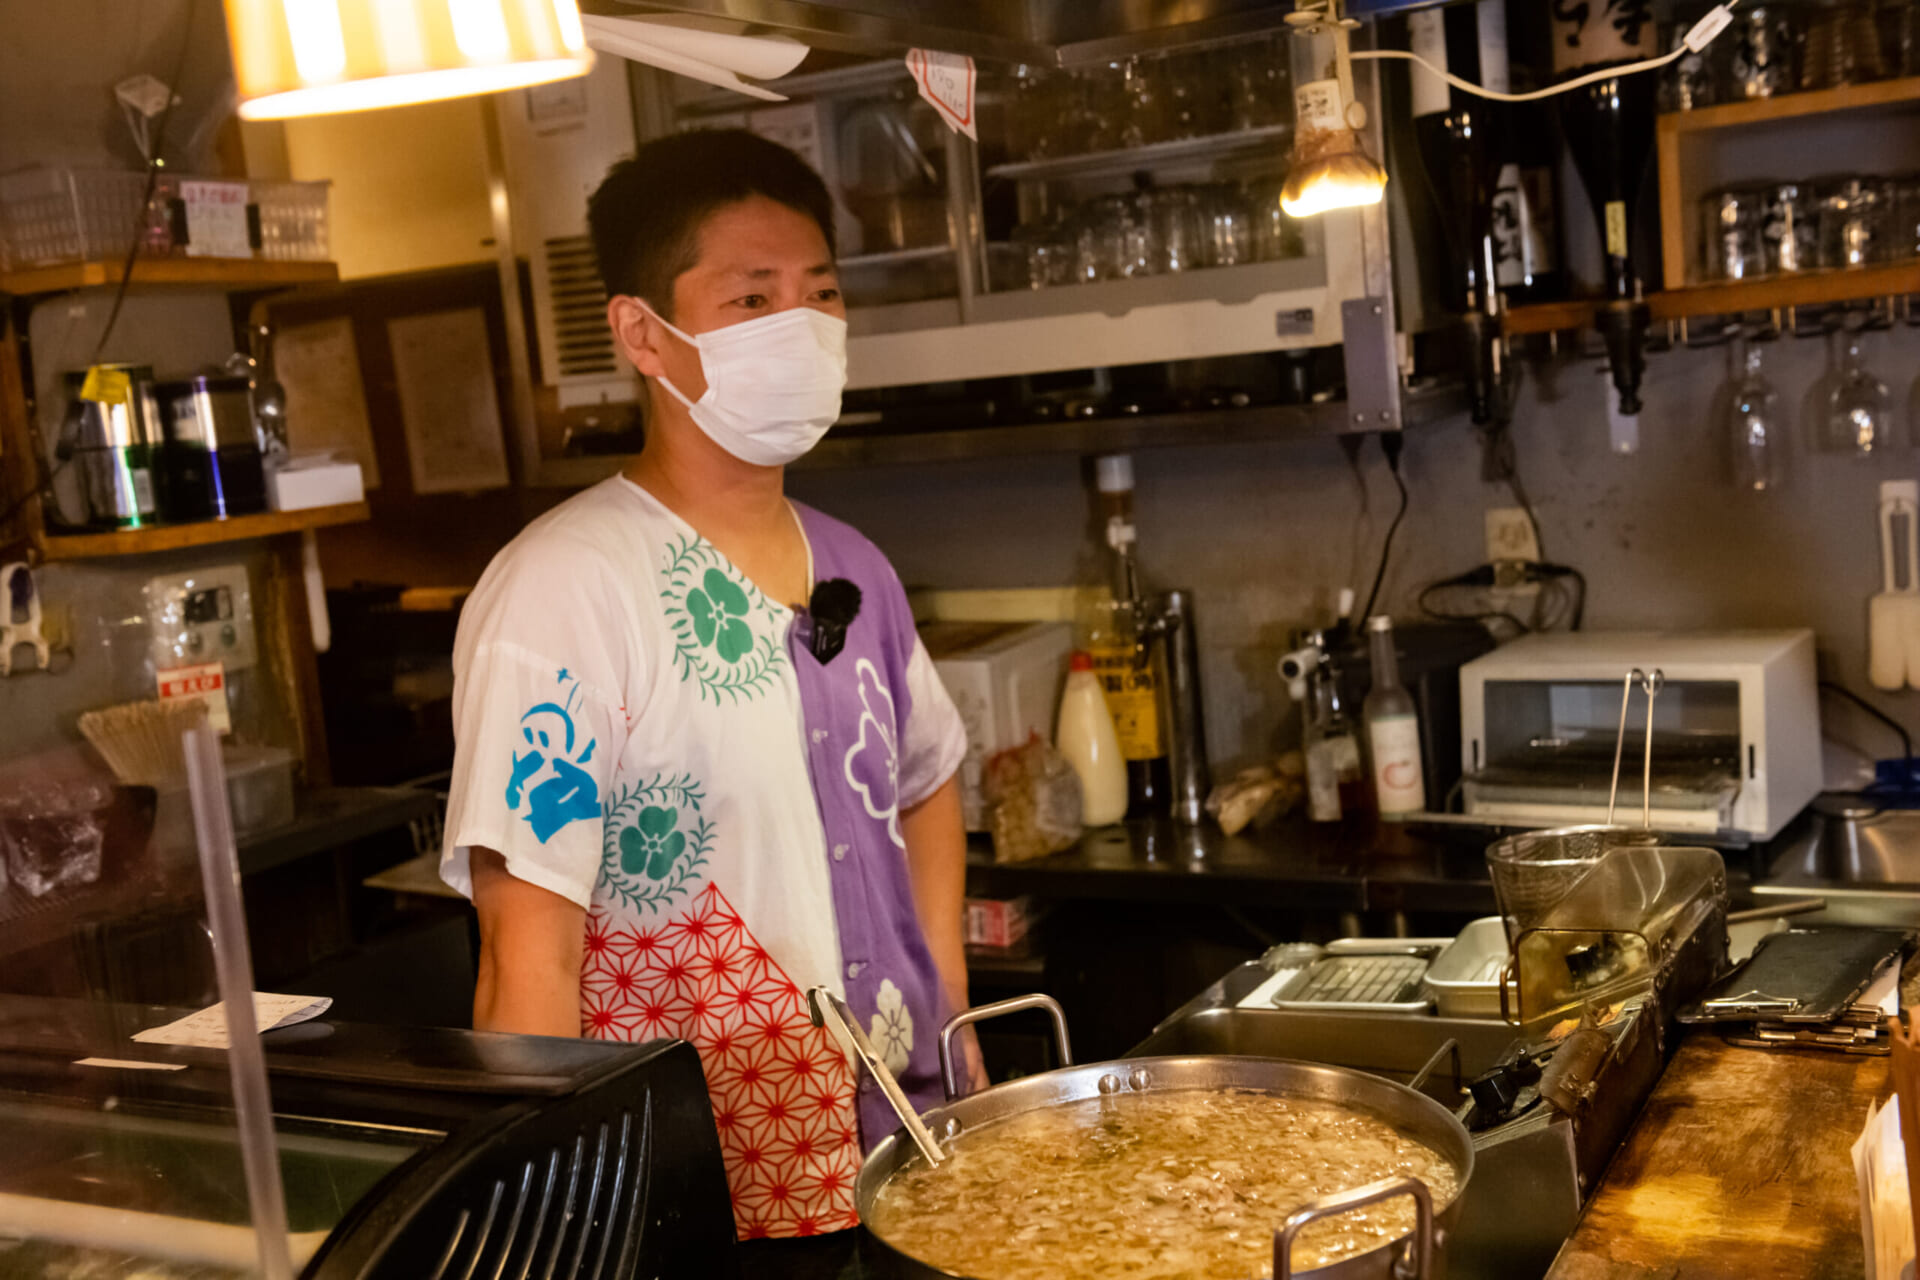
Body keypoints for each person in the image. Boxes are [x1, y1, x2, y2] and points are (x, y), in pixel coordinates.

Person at [439, 129, 977, 1264]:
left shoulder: (856, 568)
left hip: (904, 1151)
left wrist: (951, 1009)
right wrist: (536, 1224)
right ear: (642, 331)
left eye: (821, 294)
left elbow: (928, 779)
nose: (804, 325)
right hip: (694, 1191)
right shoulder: (564, 590)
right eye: (752, 297)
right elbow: (523, 954)